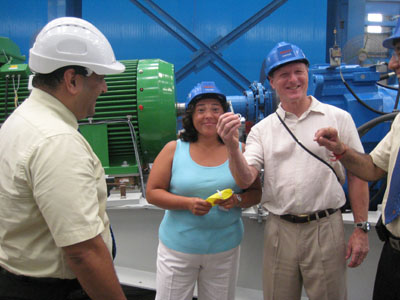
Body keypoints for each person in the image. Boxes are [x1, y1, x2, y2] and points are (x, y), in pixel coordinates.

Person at [216, 42, 370, 300]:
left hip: (326, 227)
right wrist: (232, 147)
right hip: (279, 230)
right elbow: (247, 177)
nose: (293, 80)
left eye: (298, 71)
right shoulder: (263, 130)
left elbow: (358, 174)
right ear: (271, 82)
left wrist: (361, 228)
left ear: (308, 74)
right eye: (283, 75)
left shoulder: (338, 118)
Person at [0, 17, 127, 300]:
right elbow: (83, 252)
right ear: (72, 80)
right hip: (52, 291)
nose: (104, 88)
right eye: (101, 78)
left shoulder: (20, 120)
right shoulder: (57, 141)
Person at [146, 81, 262, 300]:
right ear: (191, 116)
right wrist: (187, 203)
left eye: (215, 109)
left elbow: (256, 192)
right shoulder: (174, 149)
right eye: (201, 110)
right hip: (178, 250)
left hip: (224, 251)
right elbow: (153, 192)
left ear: (225, 115)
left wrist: (237, 199)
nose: (208, 115)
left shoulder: (240, 150)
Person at [314, 19, 400, 300]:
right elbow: (373, 169)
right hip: (394, 251)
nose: (392, 65)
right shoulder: (399, 122)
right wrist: (341, 150)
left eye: (399, 54)